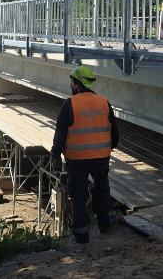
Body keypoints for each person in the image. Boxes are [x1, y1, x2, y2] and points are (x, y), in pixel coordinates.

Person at [51, 66, 120, 244]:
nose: (70, 85)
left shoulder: (69, 104)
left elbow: (60, 134)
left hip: (77, 160)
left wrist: (55, 156)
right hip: (101, 157)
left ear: (76, 83)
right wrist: (107, 150)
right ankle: (104, 223)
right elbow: (115, 133)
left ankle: (82, 236)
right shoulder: (104, 102)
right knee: (102, 188)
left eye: (72, 82)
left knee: (78, 195)